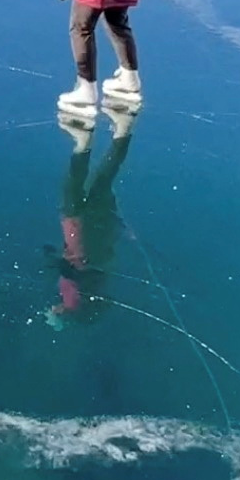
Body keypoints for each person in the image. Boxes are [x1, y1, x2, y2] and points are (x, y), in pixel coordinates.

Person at [46, 107, 138, 326]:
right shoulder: (73, 302)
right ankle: (88, 139)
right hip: (78, 231)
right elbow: (71, 274)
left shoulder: (94, 286)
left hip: (94, 229)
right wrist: (57, 318)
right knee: (77, 186)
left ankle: (119, 131)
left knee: (99, 181)